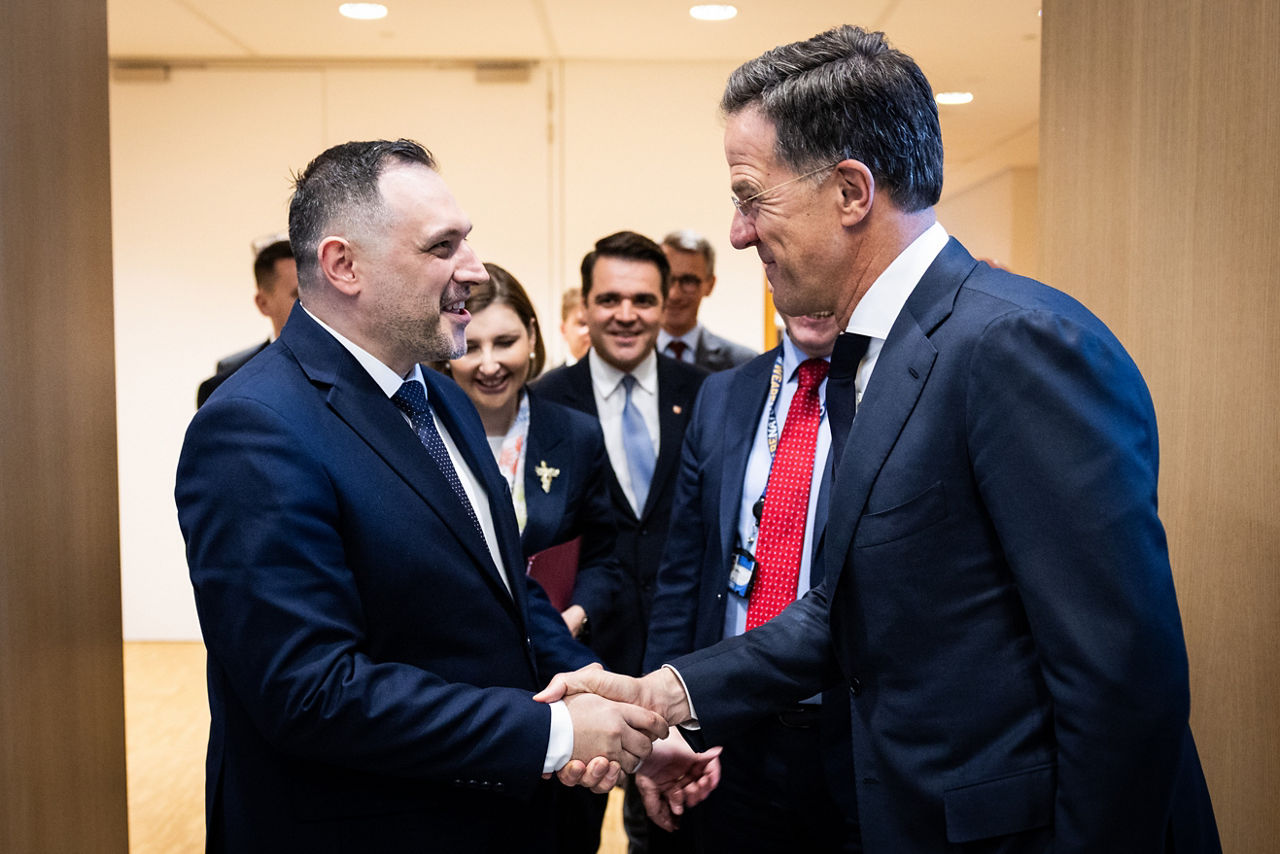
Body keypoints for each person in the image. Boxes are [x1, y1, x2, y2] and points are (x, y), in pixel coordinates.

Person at [538, 25, 1221, 853]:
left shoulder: (1015, 344)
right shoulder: (882, 357)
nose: (740, 232)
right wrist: (663, 692)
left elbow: (1121, 680)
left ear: (852, 192)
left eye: (752, 197)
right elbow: (849, 609)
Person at [175, 139, 665, 854]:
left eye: (467, 240)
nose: (473, 268)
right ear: (345, 266)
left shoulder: (436, 392)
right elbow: (309, 690)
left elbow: (505, 586)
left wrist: (588, 684)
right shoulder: (253, 426)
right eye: (442, 247)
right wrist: (555, 732)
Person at [643, 310, 859, 852]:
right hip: (728, 732)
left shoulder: (888, 384)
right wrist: (660, 726)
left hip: (849, 729)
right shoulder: (725, 393)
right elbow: (682, 574)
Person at [440, 262, 630, 853]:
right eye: (472, 346)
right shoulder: (426, 430)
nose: (490, 362)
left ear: (532, 335)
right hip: (460, 682)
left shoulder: (574, 434)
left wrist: (576, 616)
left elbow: (607, 552)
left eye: (506, 341)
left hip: (558, 673)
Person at [534, 231, 707, 854]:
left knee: (674, 833)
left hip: (681, 663)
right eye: (609, 299)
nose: (626, 315)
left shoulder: (710, 395)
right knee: (565, 834)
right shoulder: (544, 404)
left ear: (667, 303)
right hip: (578, 666)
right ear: (585, 305)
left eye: (642, 299)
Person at [196, 235, 298, 407]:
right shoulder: (224, 386)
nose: (315, 304)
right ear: (263, 303)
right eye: (298, 295)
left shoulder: (350, 364)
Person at [657, 229, 755, 372]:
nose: (674, 294)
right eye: (667, 279)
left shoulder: (743, 364)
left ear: (710, 285)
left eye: (688, 281)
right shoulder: (628, 356)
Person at [558, 287, 591, 365]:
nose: (590, 330)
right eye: (582, 324)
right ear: (564, 330)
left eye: (595, 324)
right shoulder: (551, 377)